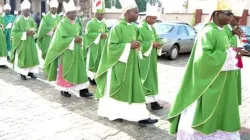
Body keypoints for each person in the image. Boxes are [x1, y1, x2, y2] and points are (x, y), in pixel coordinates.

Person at [167, 0, 248, 139]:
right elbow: (204, 58)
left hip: (222, 81)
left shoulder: (222, 31)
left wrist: (235, 50)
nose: (230, 16)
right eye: (227, 13)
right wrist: (231, 54)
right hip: (208, 83)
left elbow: (228, 49)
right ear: (216, 14)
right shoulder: (208, 31)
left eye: (231, 14)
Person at [96, 0, 158, 125]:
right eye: (135, 12)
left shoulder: (135, 27)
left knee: (136, 89)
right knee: (119, 91)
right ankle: (114, 114)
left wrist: (141, 45)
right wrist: (128, 46)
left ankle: (141, 116)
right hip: (120, 65)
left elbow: (141, 41)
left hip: (133, 65)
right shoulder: (117, 27)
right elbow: (111, 47)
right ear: (127, 12)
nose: (137, 15)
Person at [43, 0, 92, 98]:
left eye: (75, 12)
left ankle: (82, 90)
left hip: (77, 51)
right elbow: (60, 39)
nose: (75, 14)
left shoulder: (77, 23)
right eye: (73, 12)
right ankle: (64, 89)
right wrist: (73, 39)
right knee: (67, 69)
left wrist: (81, 39)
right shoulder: (62, 24)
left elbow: (81, 34)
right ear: (67, 13)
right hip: (67, 52)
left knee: (80, 69)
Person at [138, 3, 163, 110]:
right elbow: (139, 43)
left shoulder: (152, 28)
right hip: (143, 58)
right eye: (153, 19)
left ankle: (153, 101)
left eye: (156, 19)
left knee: (152, 78)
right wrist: (152, 44)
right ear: (147, 17)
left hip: (152, 58)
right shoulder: (140, 28)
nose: (154, 21)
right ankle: (142, 101)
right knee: (144, 78)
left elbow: (156, 38)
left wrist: (160, 42)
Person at [10, 0, 40, 80]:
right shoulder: (18, 20)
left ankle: (30, 72)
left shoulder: (31, 20)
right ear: (22, 11)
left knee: (31, 56)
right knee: (24, 57)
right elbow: (14, 33)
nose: (27, 12)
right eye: (26, 10)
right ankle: (22, 73)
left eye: (28, 10)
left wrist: (33, 32)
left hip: (30, 42)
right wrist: (24, 33)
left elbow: (34, 27)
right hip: (22, 42)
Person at [85, 4, 108, 85]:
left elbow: (107, 32)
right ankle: (91, 77)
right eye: (100, 14)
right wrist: (99, 35)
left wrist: (106, 35)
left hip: (103, 46)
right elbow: (87, 35)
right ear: (95, 14)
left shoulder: (103, 23)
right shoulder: (90, 23)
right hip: (94, 47)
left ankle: (99, 76)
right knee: (94, 62)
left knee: (101, 61)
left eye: (103, 14)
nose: (102, 16)